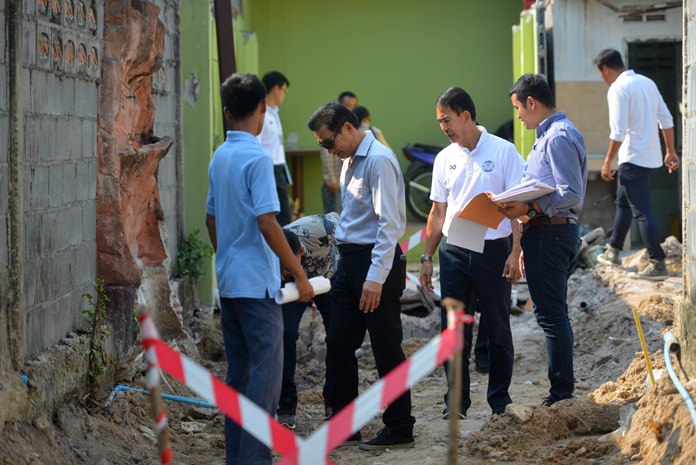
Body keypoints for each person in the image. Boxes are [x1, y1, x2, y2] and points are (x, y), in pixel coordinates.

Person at [205, 72, 314, 465]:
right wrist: (300, 275)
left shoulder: (220, 156)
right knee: (264, 385)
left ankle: (239, 459)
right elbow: (268, 222)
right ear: (262, 110)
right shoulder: (256, 158)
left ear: (225, 111)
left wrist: (228, 256)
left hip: (230, 283)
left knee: (239, 379)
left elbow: (211, 220)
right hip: (256, 287)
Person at [308, 101, 415, 450]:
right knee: (338, 343)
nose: (329, 150)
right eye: (324, 145)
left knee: (386, 348)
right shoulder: (350, 161)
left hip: (375, 264)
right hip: (349, 263)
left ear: (348, 128)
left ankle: (400, 426)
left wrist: (375, 278)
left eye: (329, 142)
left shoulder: (379, 161)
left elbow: (391, 226)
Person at [418, 87, 525, 417]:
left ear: (466, 115)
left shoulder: (504, 152)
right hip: (454, 252)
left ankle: (499, 400)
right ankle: (456, 402)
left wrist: (515, 252)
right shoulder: (444, 158)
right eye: (439, 122)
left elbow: (520, 207)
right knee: (453, 331)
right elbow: (437, 212)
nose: (444, 128)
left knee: (497, 326)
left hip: (494, 250)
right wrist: (426, 258)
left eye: (447, 120)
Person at [500, 73, 587, 407]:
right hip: (544, 231)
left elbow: (570, 192)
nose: (518, 115)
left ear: (531, 103)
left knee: (552, 316)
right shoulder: (548, 135)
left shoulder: (558, 136)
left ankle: (562, 393)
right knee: (551, 314)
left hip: (552, 231)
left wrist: (530, 205)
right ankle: (561, 390)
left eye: (518, 108)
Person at [593, 49, 680, 280]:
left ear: (606, 70)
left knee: (642, 211)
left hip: (632, 158)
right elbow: (667, 119)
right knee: (623, 202)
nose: (603, 80)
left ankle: (657, 262)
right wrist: (670, 150)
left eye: (601, 75)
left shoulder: (618, 89)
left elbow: (618, 131)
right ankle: (614, 249)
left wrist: (607, 161)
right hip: (649, 158)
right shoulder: (647, 83)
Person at [277, 213, 340, 430]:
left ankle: (334, 399)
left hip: (329, 279)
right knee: (284, 333)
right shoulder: (272, 244)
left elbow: (353, 231)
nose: (285, 271)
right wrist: (292, 277)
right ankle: (286, 404)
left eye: (288, 265)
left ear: (302, 252)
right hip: (294, 289)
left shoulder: (321, 229)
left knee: (338, 334)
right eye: (281, 267)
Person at [258, 71, 293, 225]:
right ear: (275, 89)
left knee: (283, 214)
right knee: (280, 215)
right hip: (268, 169)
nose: (285, 95)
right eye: (284, 90)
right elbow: (257, 145)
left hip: (279, 169)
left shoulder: (274, 113)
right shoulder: (261, 113)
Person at [319, 91, 358, 214]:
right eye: (347, 105)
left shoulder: (350, 126)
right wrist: (331, 180)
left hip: (348, 184)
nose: (350, 109)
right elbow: (326, 154)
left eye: (353, 105)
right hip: (334, 183)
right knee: (333, 221)